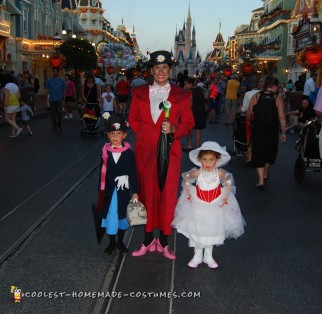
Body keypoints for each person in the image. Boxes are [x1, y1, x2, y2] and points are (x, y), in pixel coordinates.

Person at [129, 50, 194, 259]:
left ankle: (165, 240)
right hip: (145, 152)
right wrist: (149, 136)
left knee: (167, 194)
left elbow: (189, 123)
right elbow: (134, 120)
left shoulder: (181, 95)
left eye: (164, 68)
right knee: (147, 193)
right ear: (151, 70)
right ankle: (148, 238)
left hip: (171, 152)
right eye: (156, 68)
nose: (160, 72)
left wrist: (175, 130)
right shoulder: (138, 93)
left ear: (170, 70)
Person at [172, 141, 245, 268]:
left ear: (217, 160)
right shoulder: (198, 172)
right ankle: (197, 255)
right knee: (198, 228)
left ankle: (208, 255)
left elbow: (228, 180)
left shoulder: (220, 172)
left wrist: (226, 194)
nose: (207, 163)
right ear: (200, 160)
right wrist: (188, 191)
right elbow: (187, 177)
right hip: (199, 203)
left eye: (211, 160)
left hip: (215, 204)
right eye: (204, 160)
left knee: (212, 229)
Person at [97, 114, 139, 254]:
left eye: (118, 134)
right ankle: (111, 242)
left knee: (121, 216)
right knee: (110, 216)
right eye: (112, 134)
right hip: (109, 192)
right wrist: (101, 191)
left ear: (124, 135)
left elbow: (133, 173)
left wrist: (135, 191)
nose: (115, 137)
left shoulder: (128, 153)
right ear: (108, 135)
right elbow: (102, 173)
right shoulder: (105, 153)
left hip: (123, 190)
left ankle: (120, 242)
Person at [246, 76, 287, 190]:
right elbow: (282, 118)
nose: (278, 88)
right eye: (277, 86)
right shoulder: (277, 98)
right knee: (270, 152)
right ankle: (265, 174)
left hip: (258, 129)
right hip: (272, 130)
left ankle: (260, 180)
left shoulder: (257, 96)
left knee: (259, 152)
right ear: (273, 86)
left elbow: (249, 113)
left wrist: (249, 122)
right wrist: (283, 132)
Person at [240, 76, 260, 163]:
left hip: (251, 116)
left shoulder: (248, 94)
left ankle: (250, 157)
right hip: (261, 117)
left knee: (249, 137)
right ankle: (258, 155)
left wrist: (240, 109)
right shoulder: (262, 93)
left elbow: (244, 109)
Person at [183, 76, 206, 150]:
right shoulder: (200, 89)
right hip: (201, 111)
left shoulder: (189, 92)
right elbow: (205, 97)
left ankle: (189, 144)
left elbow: (190, 104)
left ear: (190, 84)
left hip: (192, 112)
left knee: (189, 129)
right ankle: (197, 146)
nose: (185, 86)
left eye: (186, 84)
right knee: (198, 129)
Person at [45, 67, 66, 132]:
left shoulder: (62, 80)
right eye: (54, 71)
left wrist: (64, 99)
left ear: (58, 72)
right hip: (52, 99)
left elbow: (64, 90)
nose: (55, 73)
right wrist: (46, 100)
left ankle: (59, 125)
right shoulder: (49, 80)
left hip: (59, 99)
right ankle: (54, 127)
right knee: (53, 114)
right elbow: (47, 90)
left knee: (59, 113)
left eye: (56, 71)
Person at [3, 73, 23, 137]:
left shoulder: (7, 86)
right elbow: (19, 96)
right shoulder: (15, 85)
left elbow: (6, 97)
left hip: (10, 104)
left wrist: (4, 105)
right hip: (16, 104)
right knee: (13, 119)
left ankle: (18, 128)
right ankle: (13, 133)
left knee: (7, 118)